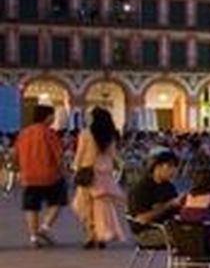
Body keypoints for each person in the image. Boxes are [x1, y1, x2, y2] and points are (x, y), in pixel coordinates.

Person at [70, 107, 127, 249]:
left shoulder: (86, 134)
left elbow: (80, 153)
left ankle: (91, 236)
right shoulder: (109, 135)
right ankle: (102, 235)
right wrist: (119, 167)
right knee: (102, 207)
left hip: (88, 172)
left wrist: (75, 168)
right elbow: (113, 155)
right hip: (105, 173)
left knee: (85, 205)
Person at [17, 105, 66, 248]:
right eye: (52, 115)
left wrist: (19, 169)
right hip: (50, 175)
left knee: (31, 206)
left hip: (29, 175)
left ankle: (33, 237)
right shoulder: (49, 133)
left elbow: (16, 153)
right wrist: (63, 169)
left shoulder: (24, 133)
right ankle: (44, 228)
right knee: (57, 201)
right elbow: (58, 154)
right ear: (47, 116)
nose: (54, 118)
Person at [128, 151, 183, 236]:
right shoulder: (142, 188)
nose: (174, 170)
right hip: (148, 231)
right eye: (169, 166)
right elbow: (141, 219)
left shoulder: (169, 187)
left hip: (169, 228)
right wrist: (168, 205)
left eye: (175, 167)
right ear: (157, 167)